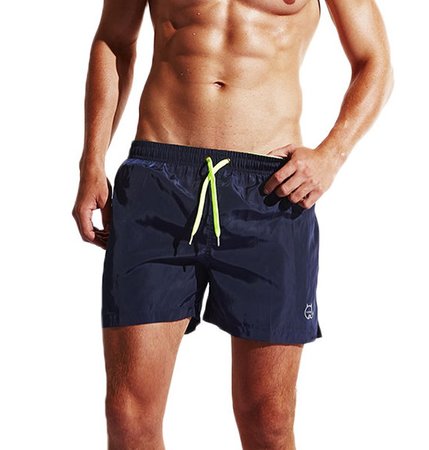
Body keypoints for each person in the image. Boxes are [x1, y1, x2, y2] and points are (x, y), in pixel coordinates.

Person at [72, 0, 393, 448]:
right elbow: (114, 40)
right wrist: (91, 160)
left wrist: (331, 155)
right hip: (158, 178)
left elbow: (374, 59)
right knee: (128, 414)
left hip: (271, 190)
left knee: (269, 420)